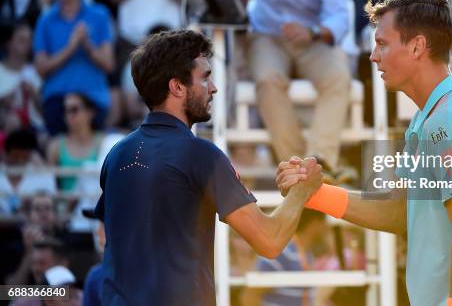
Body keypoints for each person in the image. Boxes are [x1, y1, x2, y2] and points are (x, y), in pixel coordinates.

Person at [277, 0, 452, 305]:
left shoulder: (449, 120)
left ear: (416, 47)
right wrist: (315, 194)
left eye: (382, 44)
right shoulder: (428, 119)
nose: (373, 56)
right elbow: (399, 212)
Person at [93, 29, 322, 305]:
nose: (213, 87)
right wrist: (301, 190)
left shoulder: (116, 154)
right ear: (177, 87)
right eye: (205, 77)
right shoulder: (201, 155)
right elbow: (269, 241)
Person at [229, 0, 351, 172]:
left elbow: (339, 15)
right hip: (267, 35)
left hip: (314, 36)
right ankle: (302, 171)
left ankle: (319, 160)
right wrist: (235, 2)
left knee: (338, 77)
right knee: (267, 80)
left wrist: (313, 31)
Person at [33, 0, 114, 136]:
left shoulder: (99, 15)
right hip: (57, 99)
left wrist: (86, 45)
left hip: (93, 97)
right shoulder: (45, 20)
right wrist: (71, 48)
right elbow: (40, 69)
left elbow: (108, 64)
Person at [241, 209, 327, 305]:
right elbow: (250, 295)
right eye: (324, 222)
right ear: (315, 224)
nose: (326, 228)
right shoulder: (282, 251)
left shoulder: (306, 254)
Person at [46, 93, 103, 192]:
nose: (69, 115)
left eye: (74, 109)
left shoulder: (102, 142)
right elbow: (49, 185)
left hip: (94, 203)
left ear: (89, 113)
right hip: (66, 206)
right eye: (66, 111)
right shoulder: (56, 145)